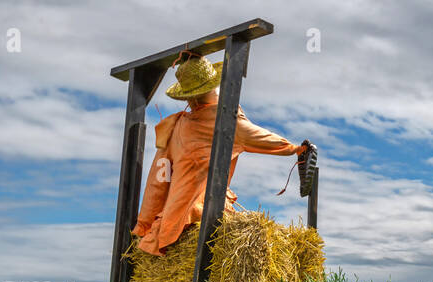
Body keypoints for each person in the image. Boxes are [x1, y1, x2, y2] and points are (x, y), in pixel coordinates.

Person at [131, 53, 309, 256]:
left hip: (172, 215)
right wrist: (295, 149)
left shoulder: (175, 126)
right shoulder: (225, 121)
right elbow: (260, 137)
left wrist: (145, 222)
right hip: (196, 210)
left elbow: (158, 180)